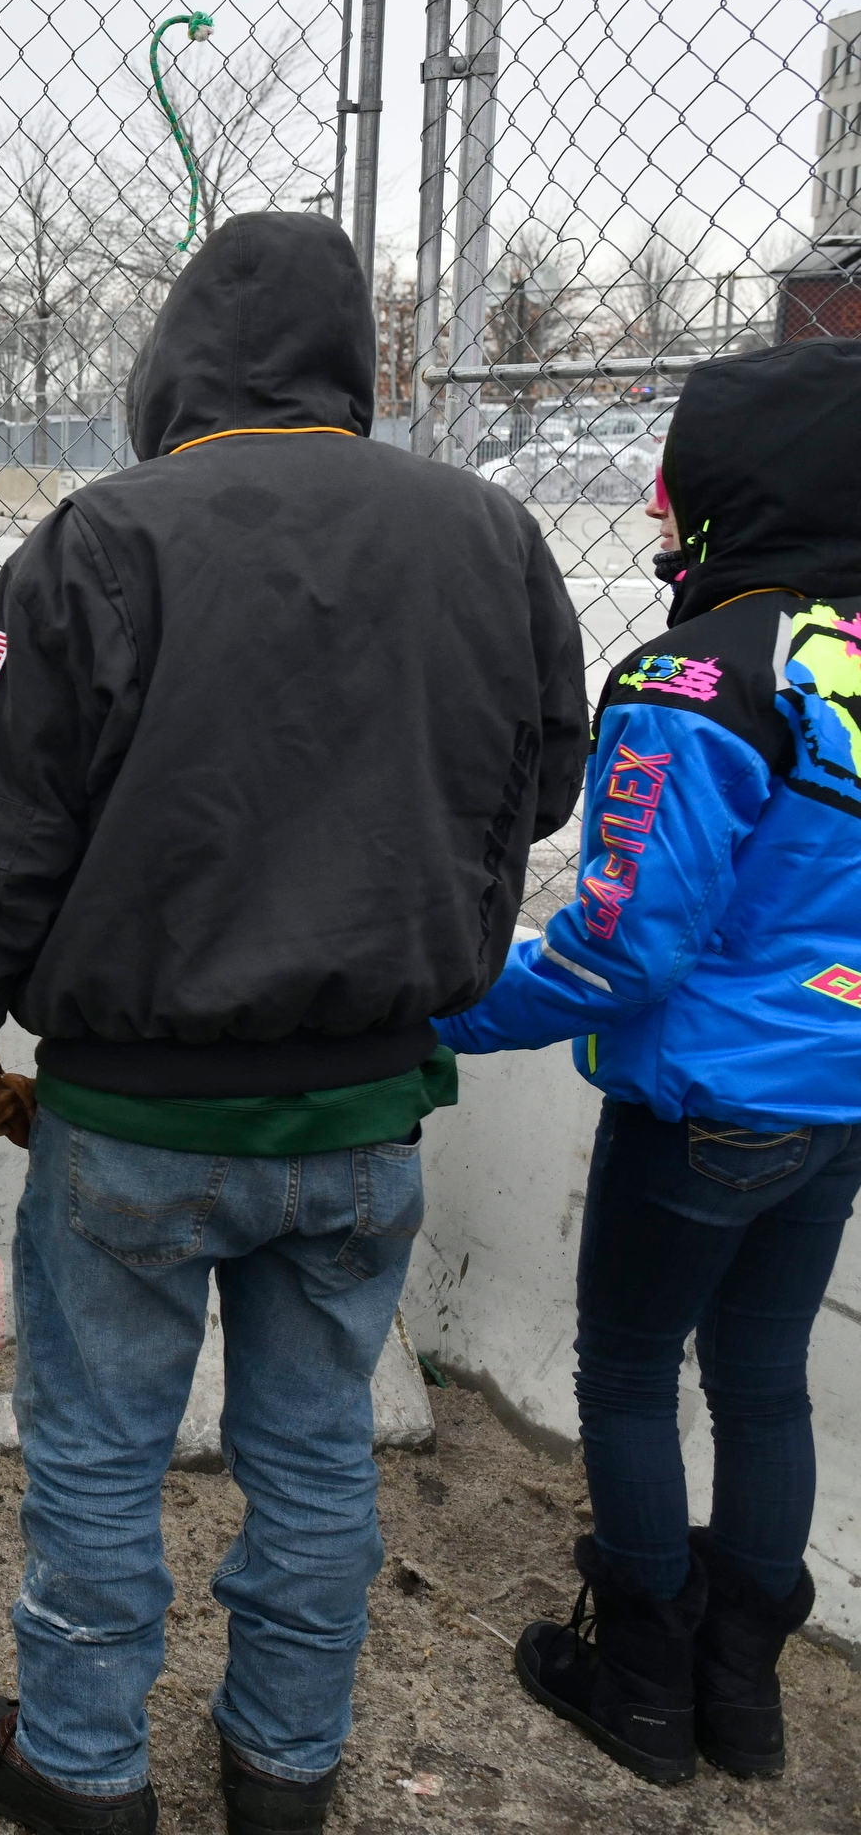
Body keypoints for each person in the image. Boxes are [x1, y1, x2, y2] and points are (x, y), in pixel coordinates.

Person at [0, 212, 589, 1835]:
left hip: (134, 1121)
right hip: (360, 1120)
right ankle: (282, 1766)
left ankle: (81, 1767)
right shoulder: (489, 537)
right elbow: (539, 777)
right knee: (318, 1452)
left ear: (176, 360)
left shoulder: (91, 545)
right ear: (358, 359)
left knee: (98, 1458)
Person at [436, 338, 861, 1787]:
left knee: (624, 1373)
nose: (656, 519)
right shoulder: (844, 664)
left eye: (676, 489)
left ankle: (640, 1687)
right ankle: (745, 1700)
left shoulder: (699, 677)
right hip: (840, 1096)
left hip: (705, 1108)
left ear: (736, 491)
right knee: (763, 1380)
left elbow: (622, 952)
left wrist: (441, 1008)